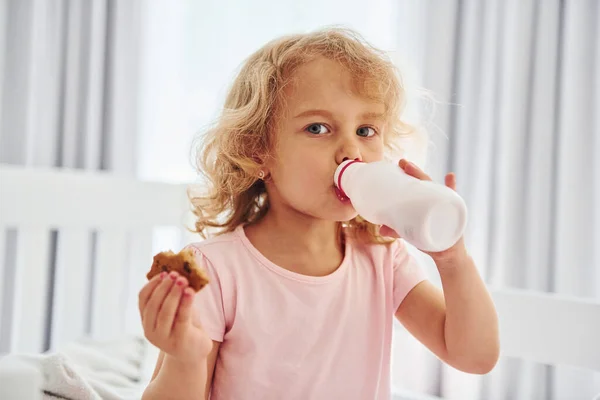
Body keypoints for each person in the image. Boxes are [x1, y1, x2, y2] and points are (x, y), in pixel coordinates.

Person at [139, 28, 499, 400]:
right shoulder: (214, 269)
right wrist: (186, 360)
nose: (351, 150)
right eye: (318, 128)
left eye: (366, 129)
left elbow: (474, 356)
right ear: (258, 152)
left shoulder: (381, 257)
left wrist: (452, 259)